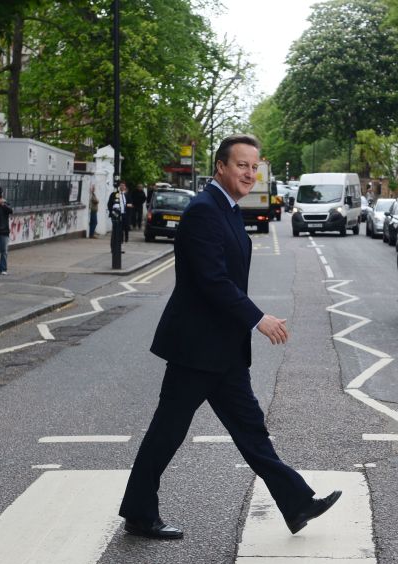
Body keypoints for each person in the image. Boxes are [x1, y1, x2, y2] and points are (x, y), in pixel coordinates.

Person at [118, 134, 342, 540]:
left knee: (251, 431)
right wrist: (258, 319)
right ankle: (138, 511)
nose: (249, 173)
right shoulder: (205, 211)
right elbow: (212, 281)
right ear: (220, 166)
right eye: (242, 165)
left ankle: (296, 503)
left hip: (223, 351)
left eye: (254, 167)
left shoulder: (227, 210)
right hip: (197, 348)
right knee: (168, 431)